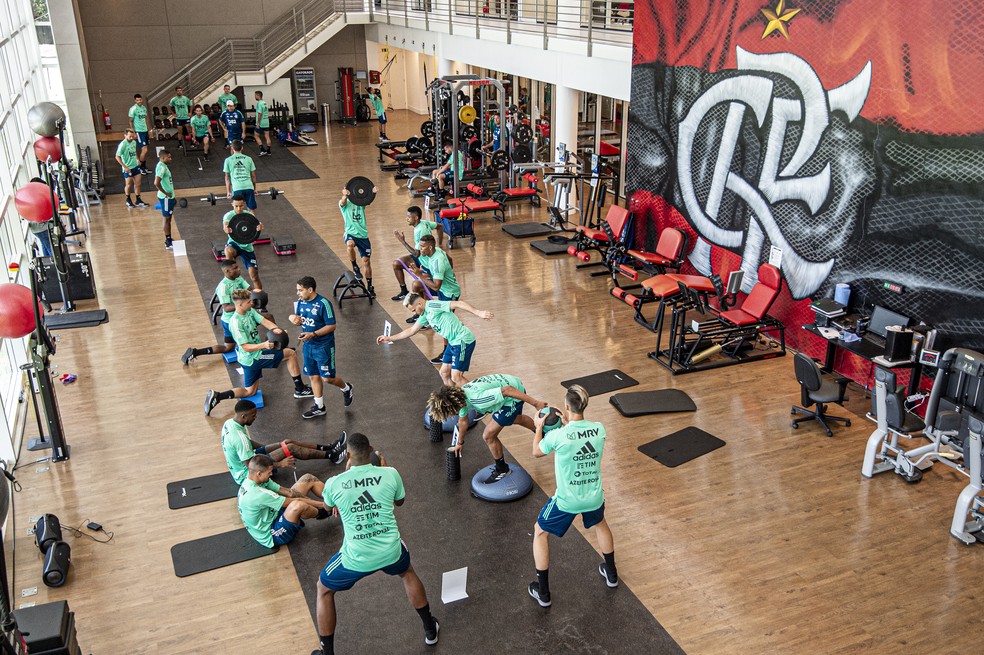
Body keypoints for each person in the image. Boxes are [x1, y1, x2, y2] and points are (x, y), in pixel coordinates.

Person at [313, 433, 439, 655]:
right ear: (371, 450)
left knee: (323, 589)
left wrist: (346, 482)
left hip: (356, 557)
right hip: (390, 550)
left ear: (348, 456)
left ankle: (327, 653)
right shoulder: (390, 474)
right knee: (407, 572)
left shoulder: (335, 483)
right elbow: (399, 501)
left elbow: (326, 507)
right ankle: (430, 630)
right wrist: (386, 469)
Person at [527, 384, 618, 607]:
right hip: (593, 496)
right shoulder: (600, 429)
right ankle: (612, 574)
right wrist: (570, 425)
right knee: (600, 523)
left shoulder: (558, 436)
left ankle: (544, 593)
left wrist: (539, 427)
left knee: (540, 532)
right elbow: (579, 437)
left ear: (566, 407)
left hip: (567, 500)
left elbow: (536, 451)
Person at [204, 288, 312, 416]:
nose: (252, 303)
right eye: (248, 302)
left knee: (250, 392)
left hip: (248, 359)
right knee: (290, 354)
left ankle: (218, 396)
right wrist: (264, 345)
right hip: (254, 357)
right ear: (239, 304)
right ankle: (299, 389)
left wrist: (279, 331)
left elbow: (265, 321)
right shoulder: (236, 323)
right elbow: (245, 347)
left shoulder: (249, 311)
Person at [427, 374, 547, 483]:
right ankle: (542, 431)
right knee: (516, 418)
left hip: (513, 394)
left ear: (453, 407)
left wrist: (536, 403)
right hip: (511, 381)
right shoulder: (461, 396)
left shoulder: (478, 399)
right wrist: (460, 442)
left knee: (488, 435)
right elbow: (463, 421)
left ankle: (502, 469)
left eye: (450, 413)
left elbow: (507, 390)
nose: (451, 415)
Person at [377, 293, 492, 386]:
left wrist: (479, 313)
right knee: (444, 373)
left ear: (420, 303)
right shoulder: (425, 314)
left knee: (456, 377)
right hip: (453, 342)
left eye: (413, 310)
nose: (414, 313)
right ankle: (454, 401)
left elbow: (458, 303)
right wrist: (389, 338)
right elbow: (411, 330)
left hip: (463, 341)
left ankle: (480, 401)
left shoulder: (433, 306)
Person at [223, 400, 347, 485]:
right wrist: (280, 464)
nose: (255, 417)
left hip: (249, 458)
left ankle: (329, 448)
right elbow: (251, 466)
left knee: (286, 443)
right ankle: (333, 455)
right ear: (244, 416)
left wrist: (269, 448)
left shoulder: (230, 423)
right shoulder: (239, 438)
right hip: (246, 474)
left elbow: (248, 443)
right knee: (291, 448)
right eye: (253, 415)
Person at [288, 276, 354, 419]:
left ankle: (346, 388)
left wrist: (313, 334)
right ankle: (319, 406)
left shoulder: (324, 304)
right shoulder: (301, 302)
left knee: (328, 379)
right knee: (313, 376)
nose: (298, 293)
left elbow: (332, 326)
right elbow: (298, 318)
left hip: (323, 346)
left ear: (310, 290)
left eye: (300, 290)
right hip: (308, 346)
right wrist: (293, 318)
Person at [238, 454, 331, 548]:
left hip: (273, 513)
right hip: (271, 532)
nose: (271, 474)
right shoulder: (257, 494)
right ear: (259, 473)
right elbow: (295, 501)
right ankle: (326, 512)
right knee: (297, 505)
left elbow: (289, 493)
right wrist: (326, 505)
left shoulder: (258, 480)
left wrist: (321, 502)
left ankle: (333, 499)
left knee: (308, 479)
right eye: (269, 472)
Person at [181, 259, 248, 365]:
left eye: (237, 267)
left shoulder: (238, 278)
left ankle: (196, 352)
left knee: (228, 348)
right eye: (235, 268)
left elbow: (250, 289)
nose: (239, 269)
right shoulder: (224, 287)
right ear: (227, 271)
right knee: (265, 318)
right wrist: (242, 305)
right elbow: (226, 308)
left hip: (236, 316)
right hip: (232, 321)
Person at [390, 206, 443, 301]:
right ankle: (403, 291)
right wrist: (440, 244)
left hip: (425, 262)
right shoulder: (423, 223)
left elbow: (416, 254)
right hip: (420, 257)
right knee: (396, 263)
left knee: (417, 286)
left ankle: (422, 306)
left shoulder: (420, 230)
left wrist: (403, 242)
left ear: (416, 217)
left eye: (409, 217)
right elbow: (439, 226)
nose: (407, 219)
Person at [339, 185, 377, 296]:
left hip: (363, 236)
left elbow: (369, 198)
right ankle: (355, 266)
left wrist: (373, 192)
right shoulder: (344, 204)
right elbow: (342, 202)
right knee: (350, 245)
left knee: (366, 262)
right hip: (350, 233)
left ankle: (370, 286)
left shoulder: (360, 202)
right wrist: (344, 195)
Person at [223, 194, 264, 291]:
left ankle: (259, 297)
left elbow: (257, 226)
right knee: (228, 250)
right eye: (236, 206)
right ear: (232, 204)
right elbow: (225, 225)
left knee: (254, 276)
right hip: (234, 244)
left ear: (244, 204)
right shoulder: (228, 215)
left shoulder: (249, 215)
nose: (239, 208)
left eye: (241, 206)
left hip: (247, 248)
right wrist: (226, 228)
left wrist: (259, 228)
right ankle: (231, 274)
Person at [115, 129, 148, 209]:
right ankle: (128, 199)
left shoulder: (133, 142)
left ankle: (138, 199)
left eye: (133, 137)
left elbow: (134, 151)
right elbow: (117, 157)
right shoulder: (122, 145)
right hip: (128, 168)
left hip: (135, 166)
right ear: (125, 135)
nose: (132, 138)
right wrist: (125, 167)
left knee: (138, 184)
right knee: (129, 184)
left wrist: (137, 159)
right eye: (130, 136)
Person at [223, 140, 257, 209]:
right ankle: (253, 220)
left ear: (232, 148)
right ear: (242, 148)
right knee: (251, 210)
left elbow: (227, 178)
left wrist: (228, 192)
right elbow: (253, 176)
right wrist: (254, 189)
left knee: (237, 210)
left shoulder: (228, 160)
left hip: (237, 188)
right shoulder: (249, 159)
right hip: (249, 187)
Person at [153, 149, 175, 249]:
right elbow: (156, 183)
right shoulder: (161, 168)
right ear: (162, 158)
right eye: (168, 157)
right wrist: (166, 193)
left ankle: (169, 239)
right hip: (166, 198)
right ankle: (168, 241)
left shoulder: (164, 166)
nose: (170, 159)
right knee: (166, 219)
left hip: (169, 197)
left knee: (168, 218)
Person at [127, 93, 150, 174]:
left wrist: (149, 129)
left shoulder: (144, 108)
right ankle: (140, 167)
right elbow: (130, 121)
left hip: (145, 131)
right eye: (137, 100)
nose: (139, 101)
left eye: (140, 100)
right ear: (135, 101)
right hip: (139, 131)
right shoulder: (133, 109)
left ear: (142, 100)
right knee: (144, 149)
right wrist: (133, 132)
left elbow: (146, 119)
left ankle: (144, 167)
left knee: (146, 150)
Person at [253, 90, 273, 156]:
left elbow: (260, 114)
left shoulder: (259, 103)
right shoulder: (265, 103)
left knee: (256, 135)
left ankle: (262, 150)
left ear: (258, 96)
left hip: (261, 122)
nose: (255, 96)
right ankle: (269, 151)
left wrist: (258, 123)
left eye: (255, 95)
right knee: (267, 136)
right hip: (266, 122)